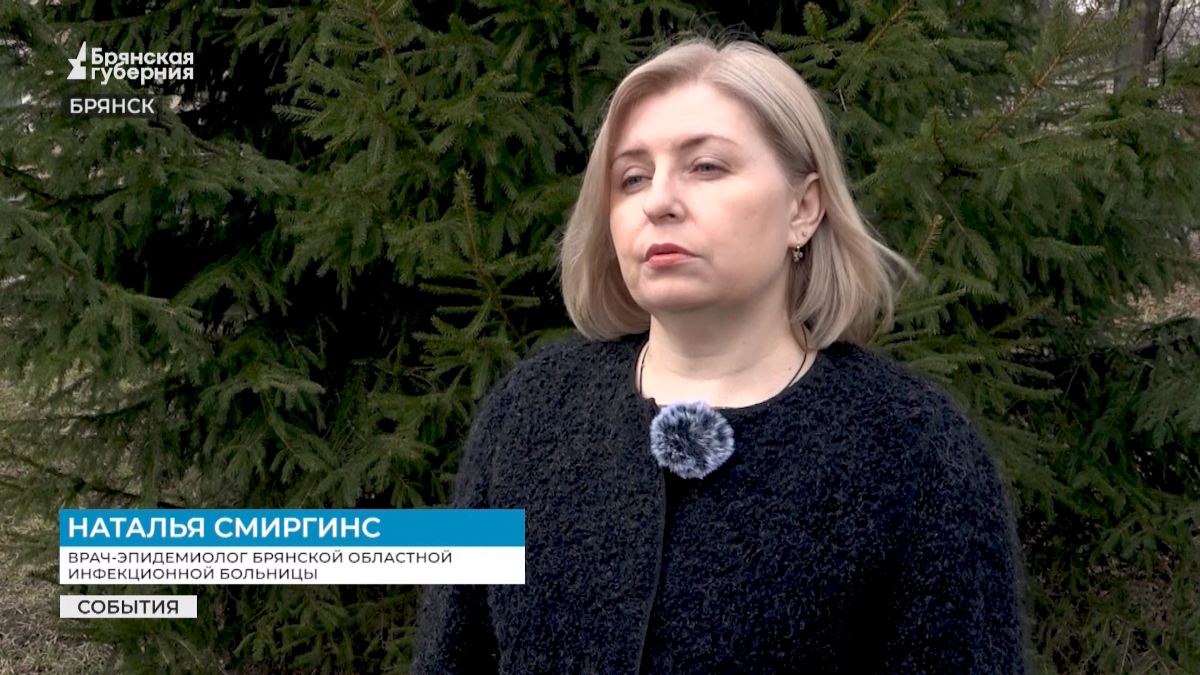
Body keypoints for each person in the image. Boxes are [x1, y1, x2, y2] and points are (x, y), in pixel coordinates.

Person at [411, 37, 1028, 674]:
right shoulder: (528, 414)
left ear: (803, 208)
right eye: (632, 178)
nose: (658, 201)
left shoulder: (916, 450)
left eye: (705, 167)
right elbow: (448, 657)